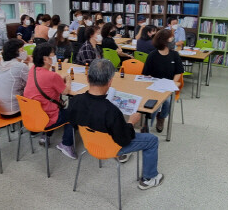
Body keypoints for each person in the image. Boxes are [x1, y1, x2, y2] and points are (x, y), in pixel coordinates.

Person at [67, 59, 164, 190]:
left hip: (90, 144)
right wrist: (131, 122)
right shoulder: (111, 111)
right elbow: (124, 139)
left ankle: (131, 159)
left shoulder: (75, 101)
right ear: (110, 81)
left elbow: (73, 123)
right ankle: (149, 178)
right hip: (112, 147)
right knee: (152, 140)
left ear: (88, 78)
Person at [23, 43, 76, 159]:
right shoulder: (52, 76)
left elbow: (46, 83)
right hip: (47, 118)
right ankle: (66, 144)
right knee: (73, 114)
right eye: (53, 55)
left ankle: (45, 136)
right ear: (46, 59)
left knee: (47, 104)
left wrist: (58, 79)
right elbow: (66, 91)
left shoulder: (33, 70)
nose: (55, 57)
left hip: (32, 116)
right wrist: (68, 80)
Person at [142, 29, 184, 133]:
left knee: (167, 101)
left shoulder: (175, 55)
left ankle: (161, 118)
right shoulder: (152, 55)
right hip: (154, 86)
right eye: (171, 38)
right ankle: (147, 121)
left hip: (169, 86)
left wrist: (172, 84)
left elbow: (178, 72)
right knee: (152, 102)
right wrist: (154, 84)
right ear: (164, 41)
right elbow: (147, 74)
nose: (174, 40)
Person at [0, 39, 31, 118]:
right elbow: (32, 83)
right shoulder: (19, 66)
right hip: (13, 110)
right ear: (14, 52)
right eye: (22, 50)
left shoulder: (2, 63)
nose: (24, 52)